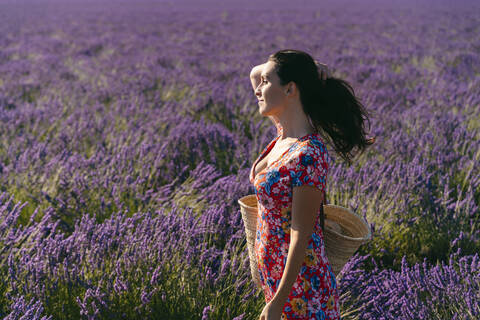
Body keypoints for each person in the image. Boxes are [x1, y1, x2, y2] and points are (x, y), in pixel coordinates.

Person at [249, 49, 374, 320]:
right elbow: (254, 73)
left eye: (267, 82)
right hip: (278, 282)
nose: (258, 88)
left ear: (291, 89)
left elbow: (300, 236)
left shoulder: (308, 154)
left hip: (303, 292)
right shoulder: (282, 135)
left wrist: (278, 303)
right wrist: (305, 69)